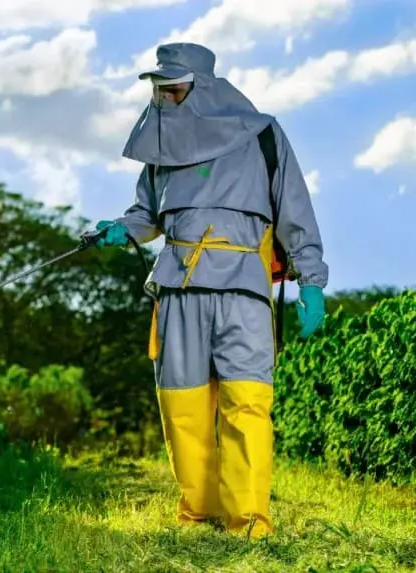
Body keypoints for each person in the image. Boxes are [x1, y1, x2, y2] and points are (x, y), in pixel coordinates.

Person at [90, 42, 328, 540]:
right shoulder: (161, 146)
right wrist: (121, 229)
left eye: (173, 88)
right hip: (177, 287)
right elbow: (147, 214)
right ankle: (198, 514)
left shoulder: (263, 136)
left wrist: (312, 282)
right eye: (160, 88)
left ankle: (248, 523)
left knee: (247, 403)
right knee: (184, 406)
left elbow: (294, 210)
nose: (164, 97)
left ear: (205, 90)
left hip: (243, 287)